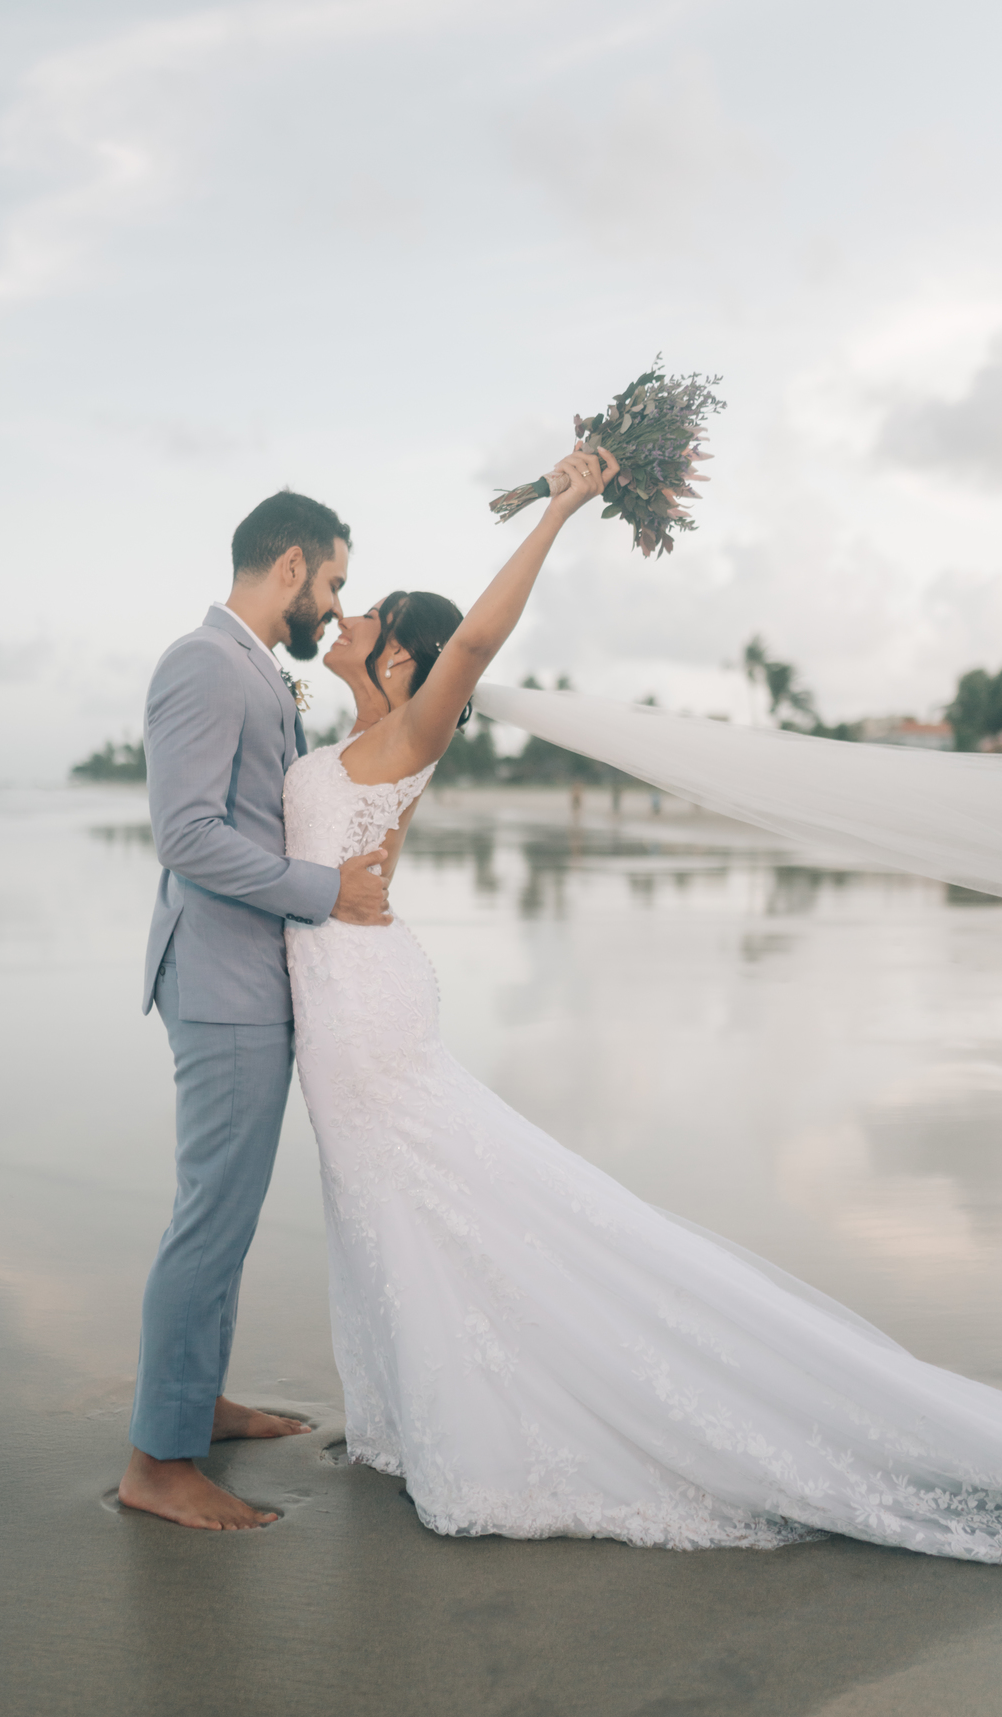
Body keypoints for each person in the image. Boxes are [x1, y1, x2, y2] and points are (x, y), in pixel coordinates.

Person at [282, 445, 1002, 1556]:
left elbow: (475, 638)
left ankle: (487, 1431)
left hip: (369, 1019)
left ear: (404, 659)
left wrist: (565, 504)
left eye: (367, 612)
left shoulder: (407, 737)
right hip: (345, 1007)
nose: (348, 618)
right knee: (399, 1214)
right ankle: (420, 1414)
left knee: (437, 1206)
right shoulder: (342, 745)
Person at [119, 491, 392, 1531]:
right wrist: (330, 894)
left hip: (250, 977)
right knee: (209, 1219)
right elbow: (185, 835)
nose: (333, 602)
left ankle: (198, 1402)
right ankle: (158, 1459)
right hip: (224, 982)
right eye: (331, 581)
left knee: (223, 1218)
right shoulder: (203, 663)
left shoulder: (253, 670)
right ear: (288, 566)